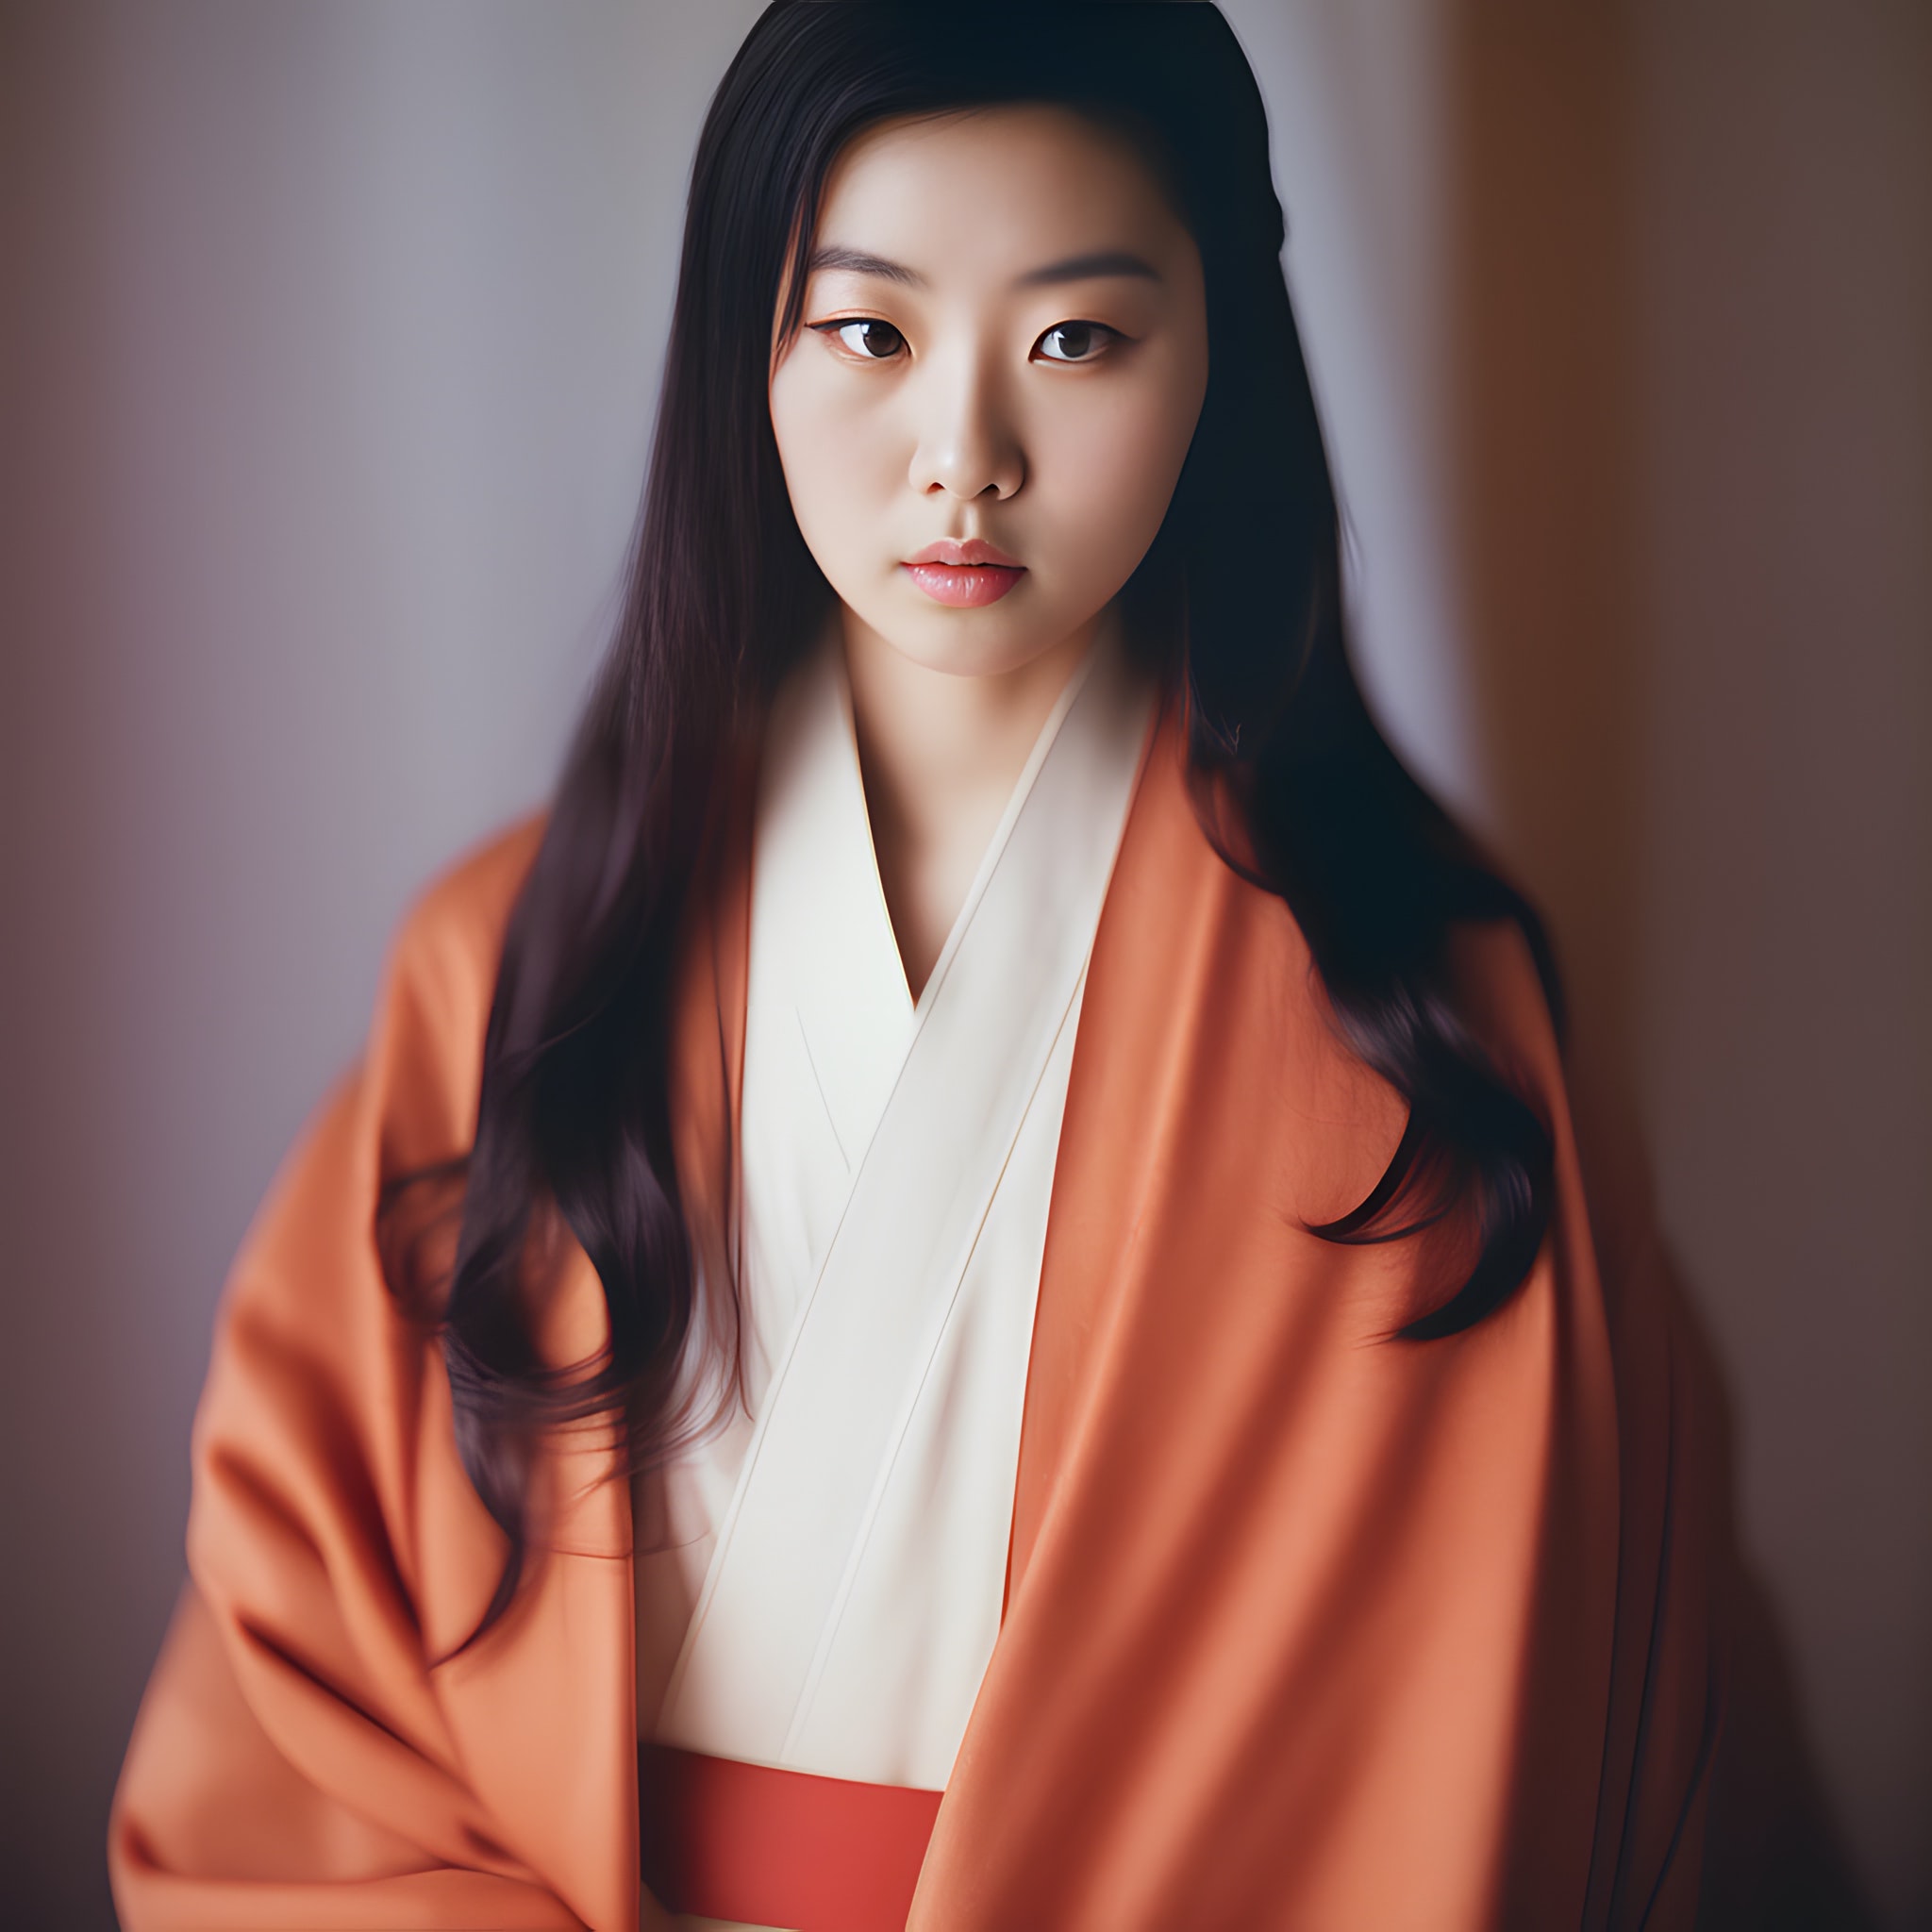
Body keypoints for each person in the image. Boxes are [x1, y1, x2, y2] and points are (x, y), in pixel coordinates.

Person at [108, 5, 1737, 1927]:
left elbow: (1518, 1743)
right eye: (868, 331)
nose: (961, 457)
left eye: (1076, 338)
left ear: (1220, 354)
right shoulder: (509, 960)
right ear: (746, 352)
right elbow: (298, 1701)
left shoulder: (1421, 1017)